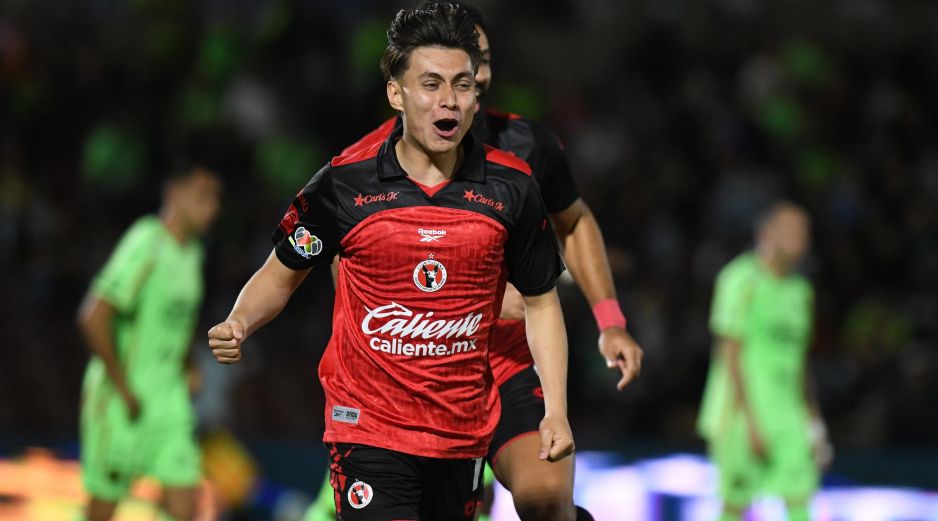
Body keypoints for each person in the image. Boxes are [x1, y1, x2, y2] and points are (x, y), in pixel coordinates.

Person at [207, 3, 574, 520]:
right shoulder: (343, 185)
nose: (448, 100)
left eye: (462, 85)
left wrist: (555, 411)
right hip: (368, 429)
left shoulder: (512, 187)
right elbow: (280, 273)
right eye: (431, 84)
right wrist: (240, 321)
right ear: (396, 94)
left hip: (461, 433)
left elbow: (541, 302)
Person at [312, 3, 643, 520]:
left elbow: (573, 222)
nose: (474, 74)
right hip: (413, 380)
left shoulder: (528, 147)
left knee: (546, 503)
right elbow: (345, 266)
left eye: (478, 62)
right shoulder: (368, 166)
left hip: (506, 367)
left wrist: (610, 322)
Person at [77, 166, 222, 521]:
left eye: (216, 199)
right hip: (123, 402)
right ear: (174, 195)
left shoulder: (193, 254)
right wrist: (122, 386)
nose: (213, 208)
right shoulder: (147, 242)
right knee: (102, 511)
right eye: (203, 197)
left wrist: (188, 364)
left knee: (185, 507)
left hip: (169, 403)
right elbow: (93, 317)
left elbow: (179, 321)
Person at [697, 202, 832, 521]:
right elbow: (728, 354)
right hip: (740, 415)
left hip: (790, 416)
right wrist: (750, 423)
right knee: (736, 505)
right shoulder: (739, 279)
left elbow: (800, 362)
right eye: (792, 229)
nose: (801, 237)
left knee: (800, 499)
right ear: (766, 234)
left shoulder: (801, 291)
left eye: (805, 230)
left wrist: (815, 422)